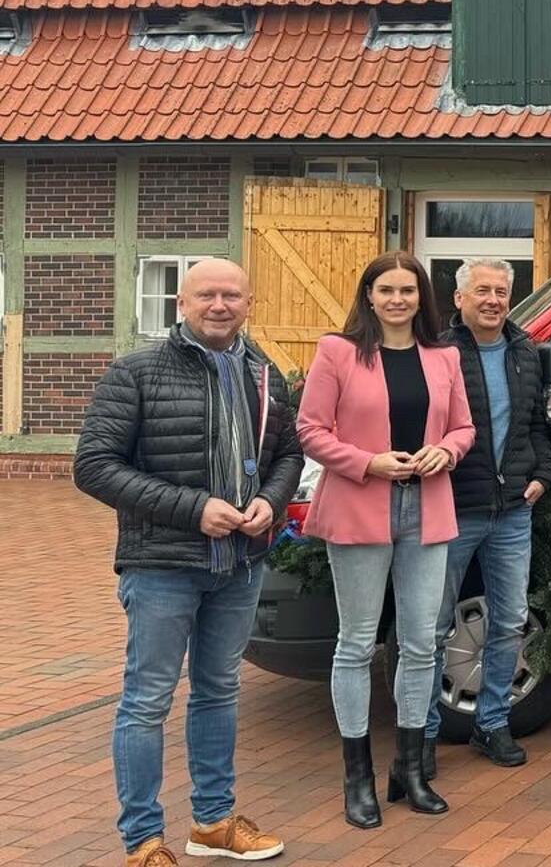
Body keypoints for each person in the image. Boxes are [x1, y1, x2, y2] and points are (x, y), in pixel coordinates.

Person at [74, 258, 300, 867]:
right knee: (147, 699)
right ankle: (143, 841)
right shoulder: (136, 372)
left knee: (218, 691)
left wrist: (269, 502)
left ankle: (213, 823)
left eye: (231, 295)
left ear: (249, 303)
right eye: (207, 295)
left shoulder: (264, 374)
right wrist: (192, 508)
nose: (219, 305)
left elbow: (288, 454)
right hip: (162, 565)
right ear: (182, 302)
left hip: (241, 563)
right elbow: (93, 465)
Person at [298, 251, 474, 828]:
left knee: (422, 643)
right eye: (386, 289)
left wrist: (445, 450)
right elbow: (309, 429)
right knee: (356, 644)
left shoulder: (443, 356)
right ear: (368, 296)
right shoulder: (338, 352)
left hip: (426, 506)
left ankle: (410, 770)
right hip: (359, 504)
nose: (398, 299)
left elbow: (463, 427)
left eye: (408, 289)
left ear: (422, 297)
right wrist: (367, 462)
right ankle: (358, 779)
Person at [423, 258, 551, 773]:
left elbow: (536, 426)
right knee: (431, 628)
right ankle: (425, 737)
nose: (493, 300)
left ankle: (492, 724)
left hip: (512, 513)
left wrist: (542, 473)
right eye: (482, 290)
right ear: (458, 299)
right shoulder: (439, 354)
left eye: (501, 291)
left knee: (509, 622)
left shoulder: (525, 352)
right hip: (454, 509)